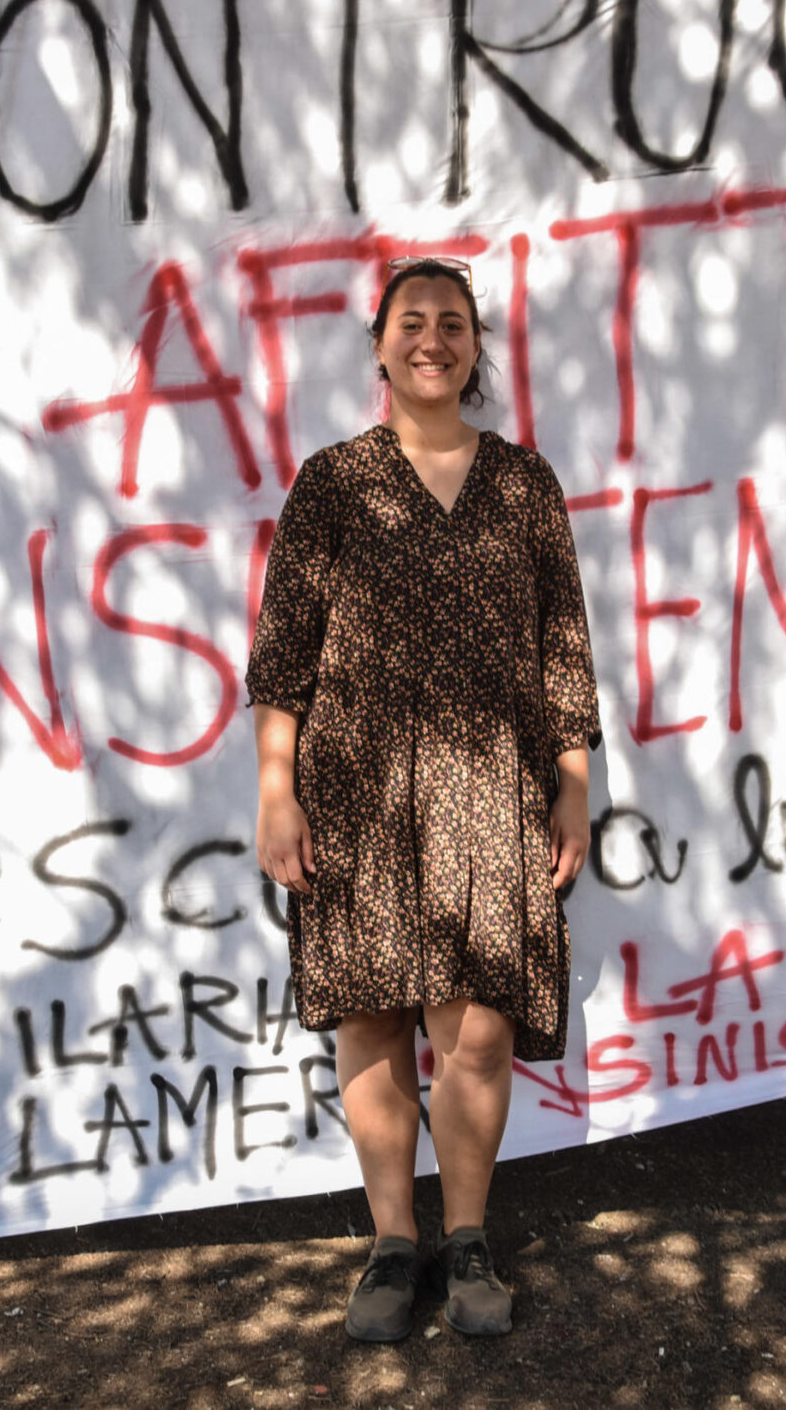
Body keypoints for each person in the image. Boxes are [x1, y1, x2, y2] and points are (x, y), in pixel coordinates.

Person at [245, 256, 601, 1342]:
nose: (431, 339)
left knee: (478, 1032)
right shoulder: (333, 482)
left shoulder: (524, 482)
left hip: (493, 791)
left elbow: (563, 647)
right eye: (412, 321)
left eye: (452, 322)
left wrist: (574, 785)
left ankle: (471, 1236)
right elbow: (283, 657)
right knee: (373, 1022)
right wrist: (276, 791)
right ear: (380, 343)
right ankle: (393, 1245)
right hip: (353, 792)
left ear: (476, 344)